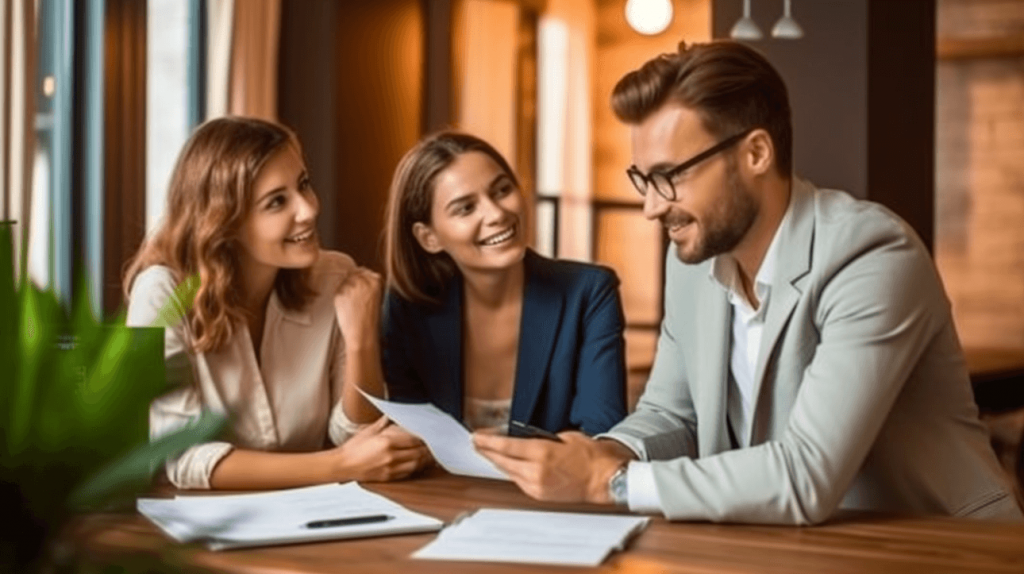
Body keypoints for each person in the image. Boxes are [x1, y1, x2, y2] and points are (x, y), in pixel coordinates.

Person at [473, 40, 1024, 523]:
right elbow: (671, 415)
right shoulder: (692, 258)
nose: (648, 207)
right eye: (644, 178)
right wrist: (604, 455)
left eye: (670, 176)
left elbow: (806, 474)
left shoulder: (872, 256)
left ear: (756, 152)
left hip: (944, 549)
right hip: (797, 550)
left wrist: (606, 484)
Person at [125, 116, 430, 490]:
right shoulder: (161, 294)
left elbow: (357, 437)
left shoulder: (336, 276)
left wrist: (361, 339)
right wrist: (338, 466)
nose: (308, 209)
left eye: (303, 184)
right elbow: (184, 457)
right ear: (224, 222)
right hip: (196, 527)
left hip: (310, 519)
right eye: (276, 202)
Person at [381, 132, 627, 436]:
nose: (497, 213)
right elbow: (407, 435)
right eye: (465, 208)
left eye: (502, 190)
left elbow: (601, 434)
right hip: (441, 485)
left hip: (552, 485)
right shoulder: (407, 306)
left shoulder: (589, 293)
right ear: (428, 238)